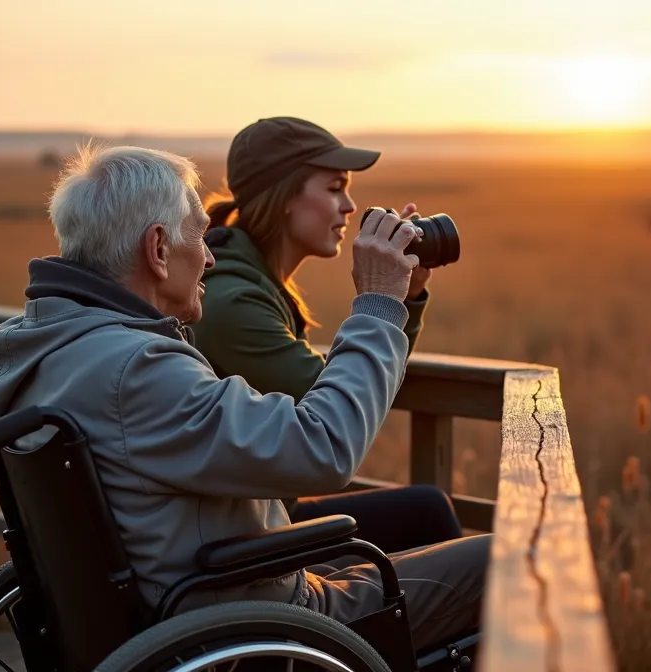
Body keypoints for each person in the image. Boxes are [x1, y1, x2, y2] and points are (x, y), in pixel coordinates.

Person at [0, 144, 488, 652]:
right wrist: (377, 306)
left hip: (181, 608)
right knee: (504, 564)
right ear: (158, 249)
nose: (211, 255)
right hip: (254, 626)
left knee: (423, 523)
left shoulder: (40, 351)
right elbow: (325, 447)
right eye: (199, 234)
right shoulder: (138, 371)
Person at [193, 117, 462, 553]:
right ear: (285, 196)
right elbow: (343, 402)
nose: (351, 205)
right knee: (428, 513)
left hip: (254, 514)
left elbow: (365, 379)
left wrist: (404, 298)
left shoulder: (247, 281)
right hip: (243, 537)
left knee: (427, 509)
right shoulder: (232, 303)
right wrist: (381, 301)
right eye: (335, 187)